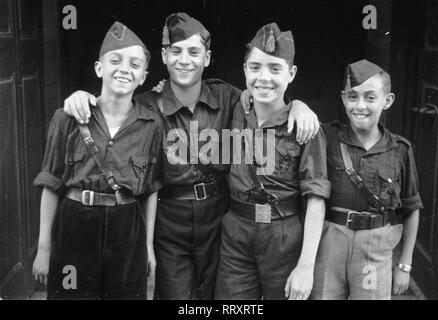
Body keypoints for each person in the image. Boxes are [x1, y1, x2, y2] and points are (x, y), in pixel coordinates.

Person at [62, 13, 319, 300]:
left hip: (219, 215)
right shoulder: (146, 105)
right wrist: (80, 97)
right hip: (170, 219)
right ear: (163, 55)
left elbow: (268, 97)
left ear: (207, 58)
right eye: (176, 51)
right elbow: (111, 108)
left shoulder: (228, 97)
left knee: (218, 296)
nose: (185, 60)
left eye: (194, 52)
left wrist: (299, 105)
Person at [32, 22, 163, 299]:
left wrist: (148, 247)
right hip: (75, 223)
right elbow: (51, 182)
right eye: (115, 60)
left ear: (143, 76)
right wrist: (44, 248)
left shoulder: (151, 125)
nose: (124, 69)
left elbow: (151, 189)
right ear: (98, 68)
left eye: (134, 64)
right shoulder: (68, 117)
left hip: (127, 228)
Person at [214, 23, 330, 300]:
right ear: (244, 69)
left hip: (283, 234)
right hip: (236, 231)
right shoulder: (236, 108)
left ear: (291, 74)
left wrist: (305, 266)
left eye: (274, 69)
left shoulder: (304, 127)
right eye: (255, 67)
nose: (263, 77)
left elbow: (316, 199)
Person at [311, 59, 422, 300]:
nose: (360, 106)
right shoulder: (327, 137)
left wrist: (404, 265)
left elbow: (412, 208)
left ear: (388, 100)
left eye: (370, 98)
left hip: (376, 246)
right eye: (353, 97)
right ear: (343, 98)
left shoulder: (400, 149)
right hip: (331, 242)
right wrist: (298, 105)